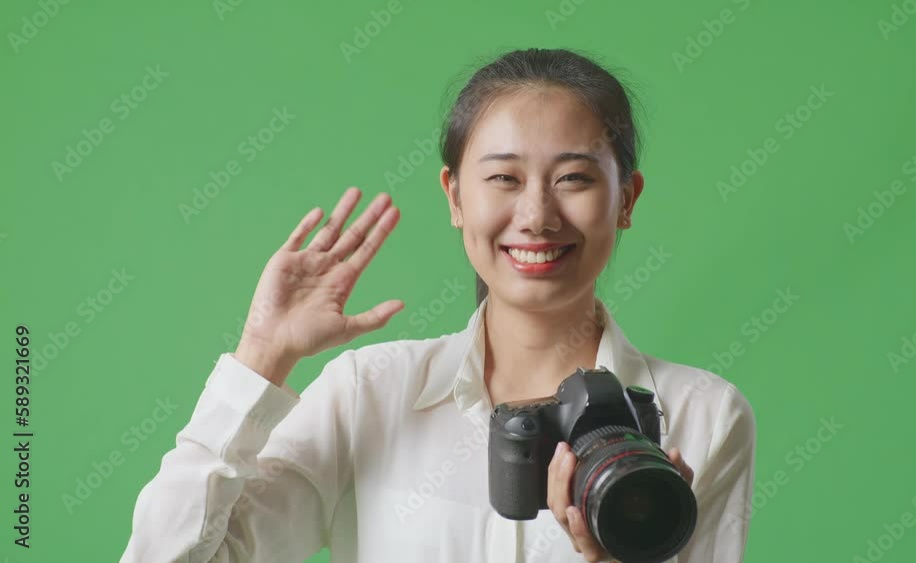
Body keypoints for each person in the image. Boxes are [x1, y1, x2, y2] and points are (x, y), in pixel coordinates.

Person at [121, 48, 756, 563]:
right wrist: (262, 355)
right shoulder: (368, 394)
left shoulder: (702, 416)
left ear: (626, 199)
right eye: (503, 178)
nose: (536, 216)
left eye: (573, 178)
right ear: (454, 197)